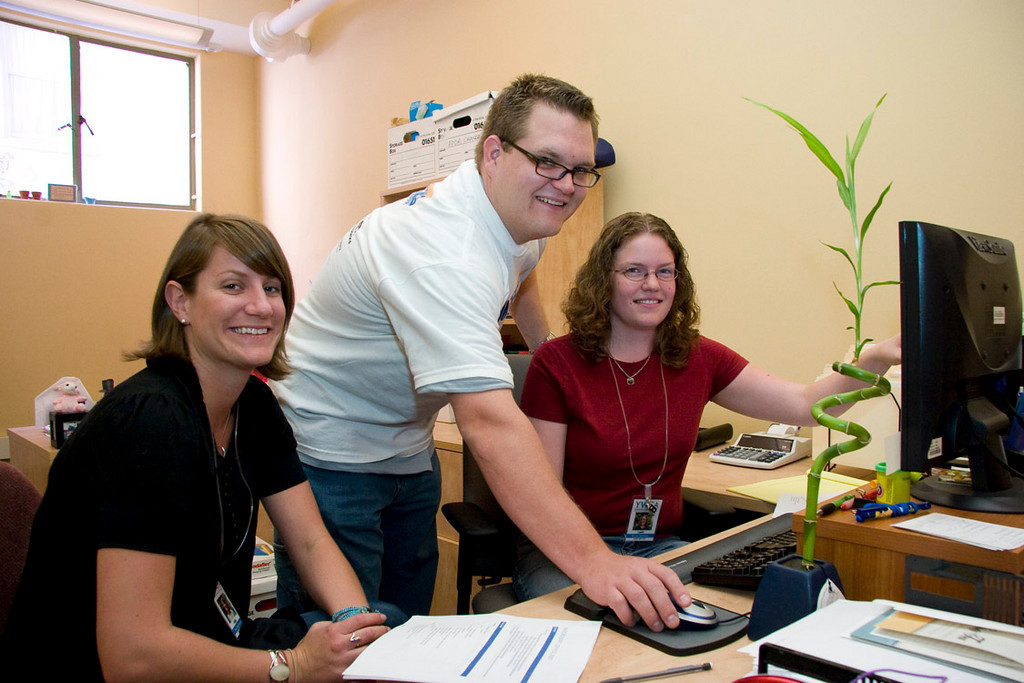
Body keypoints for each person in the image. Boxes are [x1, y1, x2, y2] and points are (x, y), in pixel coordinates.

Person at [272, 74, 690, 632]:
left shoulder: (522, 215)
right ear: (494, 152)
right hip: (331, 448)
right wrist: (597, 565)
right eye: (547, 162)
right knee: (344, 639)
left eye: (580, 169)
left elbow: (524, 276)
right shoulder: (444, 252)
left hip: (406, 444)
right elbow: (490, 426)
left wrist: (556, 360)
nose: (565, 185)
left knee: (407, 629)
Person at [0, 214, 388, 682]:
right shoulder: (150, 422)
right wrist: (295, 665)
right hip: (101, 666)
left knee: (387, 617)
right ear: (180, 301)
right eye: (232, 286)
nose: (261, 306)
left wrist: (353, 627)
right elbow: (133, 656)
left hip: (209, 636)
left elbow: (309, 539)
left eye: (271, 288)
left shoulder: (255, 403)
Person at [514, 211, 902, 599]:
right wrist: (598, 560)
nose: (652, 284)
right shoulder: (557, 363)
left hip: (658, 548)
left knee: (717, 611)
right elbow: (542, 494)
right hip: (569, 552)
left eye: (665, 272)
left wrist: (877, 357)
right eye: (634, 271)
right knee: (611, 613)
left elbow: (805, 405)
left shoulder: (696, 357)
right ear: (604, 281)